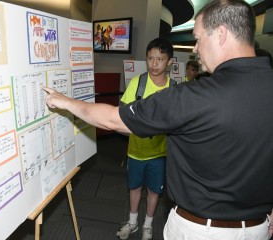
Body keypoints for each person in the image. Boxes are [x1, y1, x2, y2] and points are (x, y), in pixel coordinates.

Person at [43, 0, 273, 239]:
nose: (195, 48)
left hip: (199, 230)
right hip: (259, 228)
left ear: (221, 34)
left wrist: (65, 102)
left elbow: (113, 120)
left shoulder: (191, 96)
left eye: (198, 38)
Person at [116, 37, 174, 240]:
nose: (154, 64)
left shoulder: (174, 88)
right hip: (136, 151)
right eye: (150, 58)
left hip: (160, 153)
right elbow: (122, 113)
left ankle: (148, 224)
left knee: (154, 191)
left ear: (170, 62)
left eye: (160, 59)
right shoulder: (137, 83)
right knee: (134, 187)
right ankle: (132, 222)